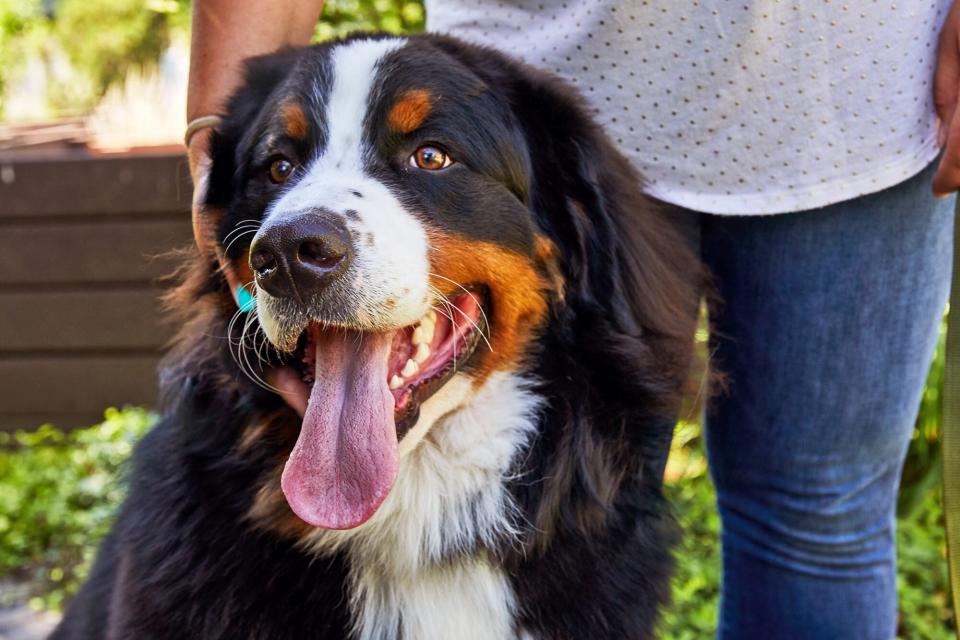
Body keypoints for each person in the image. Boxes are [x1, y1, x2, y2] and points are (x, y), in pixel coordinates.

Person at [186, 2, 960, 637]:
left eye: (424, 156)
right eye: (282, 171)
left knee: (814, 520)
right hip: (541, 66)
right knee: (610, 510)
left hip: (852, 97)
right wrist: (211, 146)